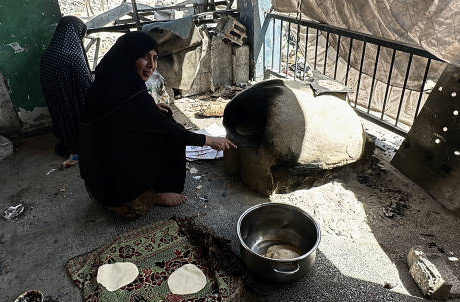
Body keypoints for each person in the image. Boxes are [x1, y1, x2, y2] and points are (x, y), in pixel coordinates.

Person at [79, 31, 236, 218]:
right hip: (116, 192)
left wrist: (151, 109)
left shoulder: (107, 81)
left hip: (97, 180)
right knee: (171, 134)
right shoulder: (132, 96)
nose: (151, 66)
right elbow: (170, 132)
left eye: (154, 58)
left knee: (162, 119)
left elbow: (125, 117)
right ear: (128, 56)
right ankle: (159, 193)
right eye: (145, 57)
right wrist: (209, 140)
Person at [39, 16, 92, 167]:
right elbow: (85, 86)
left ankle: (70, 146)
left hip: (57, 103)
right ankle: (81, 147)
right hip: (76, 105)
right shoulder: (74, 57)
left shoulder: (47, 56)